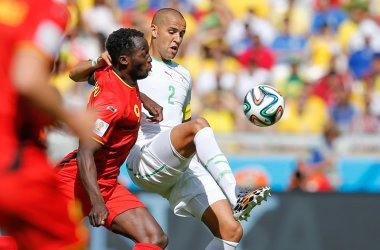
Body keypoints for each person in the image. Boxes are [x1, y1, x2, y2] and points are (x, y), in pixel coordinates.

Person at [70, 8, 271, 250]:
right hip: (145, 156)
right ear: (153, 30)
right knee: (198, 125)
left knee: (231, 231)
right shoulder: (132, 60)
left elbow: (181, 123)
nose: (177, 39)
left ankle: (234, 199)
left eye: (182, 34)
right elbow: (76, 74)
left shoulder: (184, 75)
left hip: (178, 161)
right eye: (172, 31)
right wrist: (99, 61)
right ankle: (236, 193)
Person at [55, 28, 168, 250]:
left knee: (154, 239)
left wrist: (143, 98)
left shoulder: (112, 72)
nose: (149, 59)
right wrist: (96, 202)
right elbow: (86, 152)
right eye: (144, 55)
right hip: (75, 184)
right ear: (125, 60)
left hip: (106, 184)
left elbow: (75, 74)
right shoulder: (112, 104)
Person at [0, 0, 93, 249]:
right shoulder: (48, 8)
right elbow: (27, 78)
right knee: (68, 241)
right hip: (10, 154)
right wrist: (71, 118)